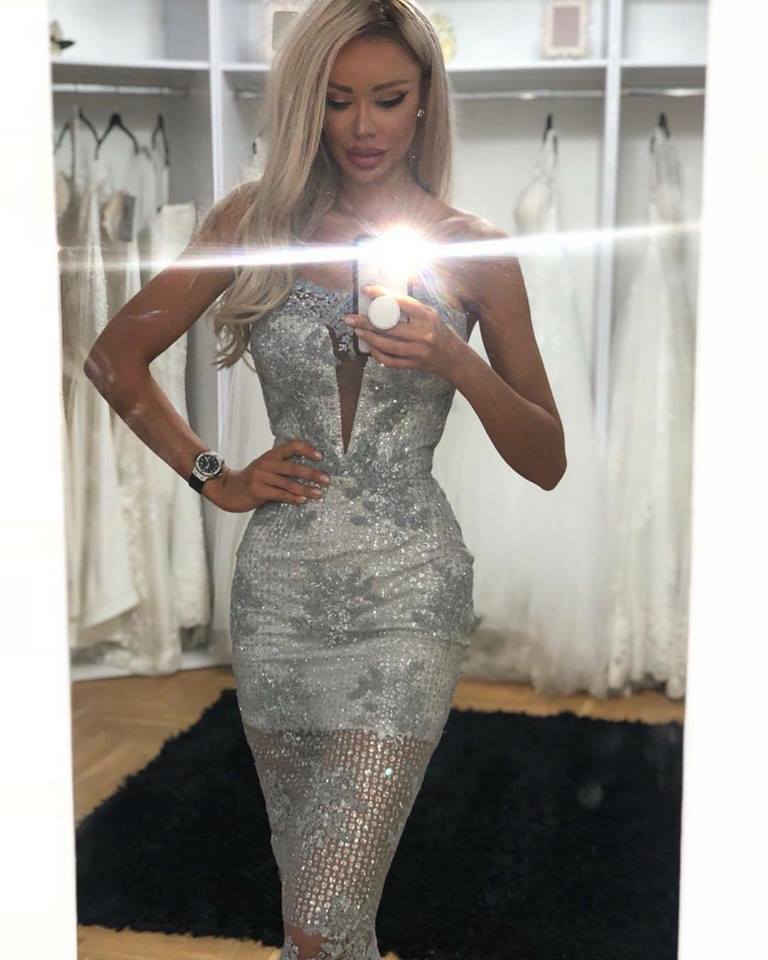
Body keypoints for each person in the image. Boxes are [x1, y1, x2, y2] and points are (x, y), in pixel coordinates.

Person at [83, 1, 565, 957]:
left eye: (387, 98)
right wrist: (216, 475)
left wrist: (455, 360)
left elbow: (546, 458)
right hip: (279, 598)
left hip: (408, 592)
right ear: (307, 104)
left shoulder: (474, 249)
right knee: (314, 911)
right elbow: (113, 359)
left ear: (424, 101)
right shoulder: (253, 221)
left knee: (328, 909)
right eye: (337, 100)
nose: (362, 126)